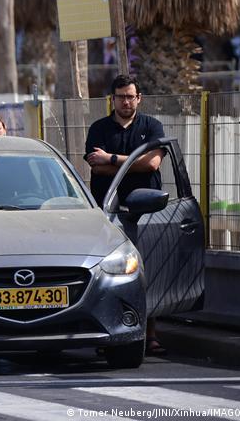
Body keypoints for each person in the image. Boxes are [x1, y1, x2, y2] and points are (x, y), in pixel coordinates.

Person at [84, 73, 166, 355]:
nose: (126, 101)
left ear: (139, 98)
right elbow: (96, 167)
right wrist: (132, 161)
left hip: (146, 212)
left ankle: (150, 333)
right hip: (108, 214)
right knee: (108, 275)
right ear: (112, 99)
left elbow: (153, 164)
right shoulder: (99, 129)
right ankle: (106, 333)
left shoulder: (152, 126)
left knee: (146, 271)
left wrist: (113, 159)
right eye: (121, 96)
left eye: (131, 96)